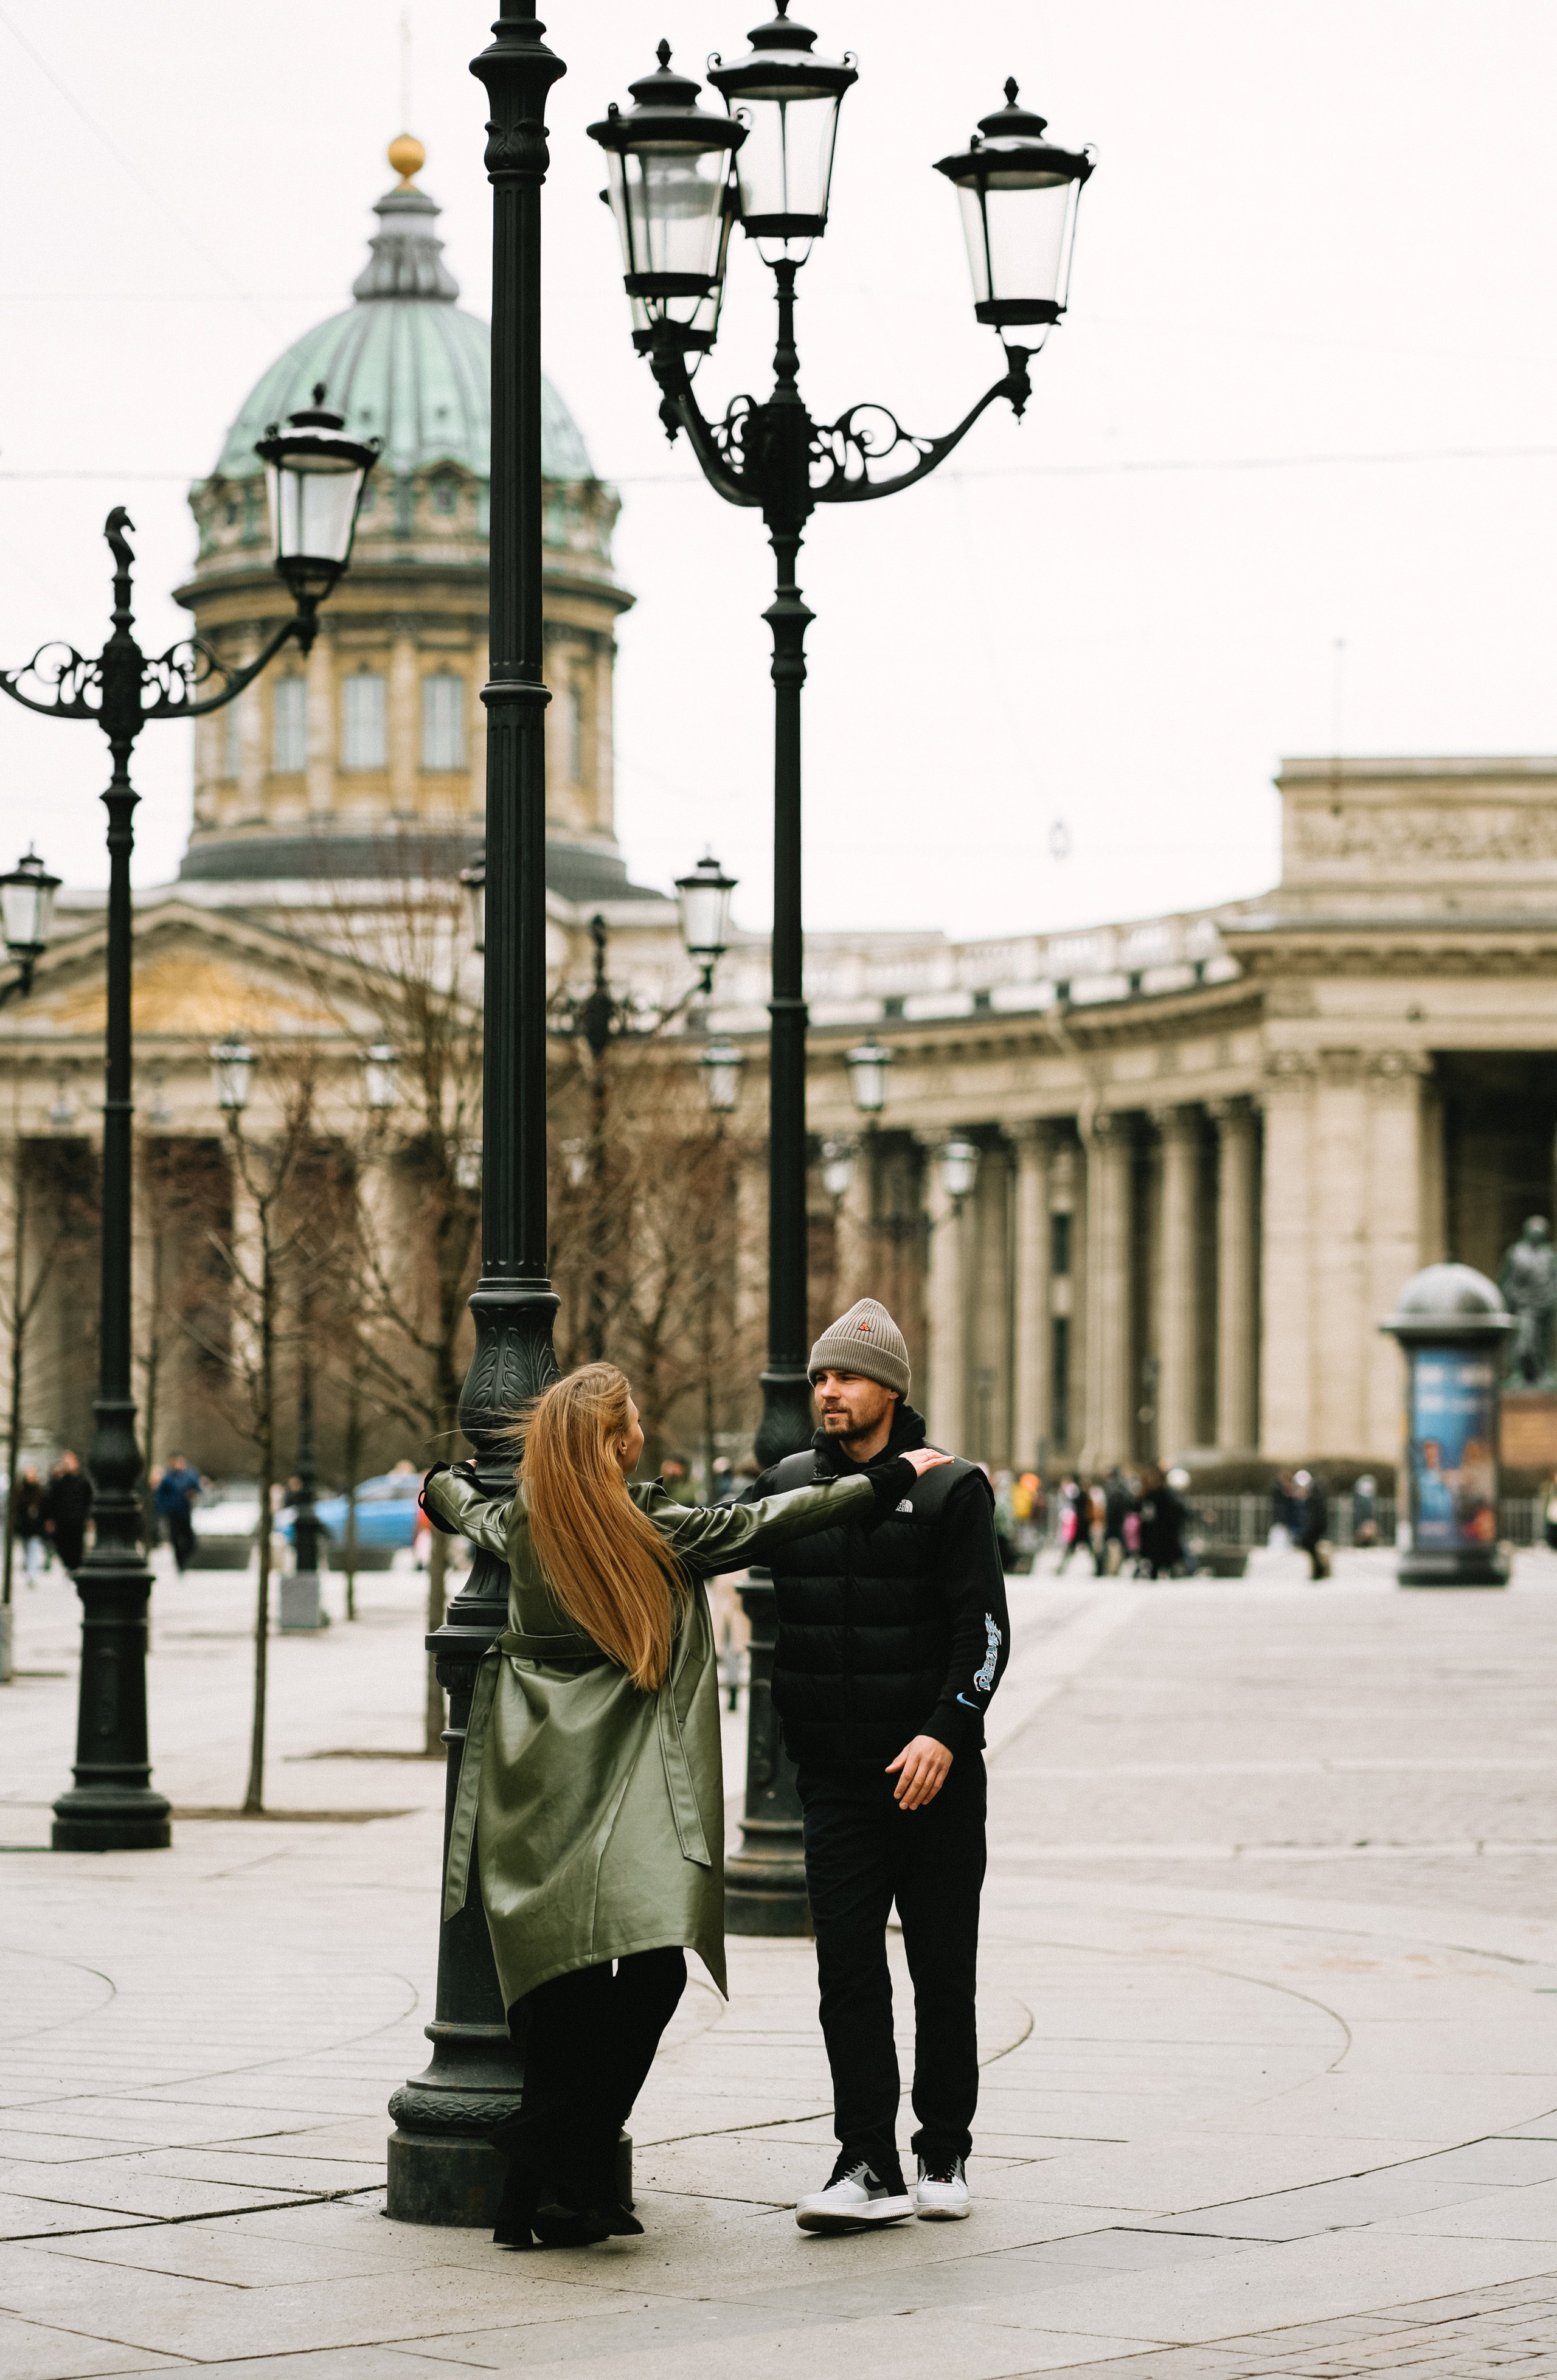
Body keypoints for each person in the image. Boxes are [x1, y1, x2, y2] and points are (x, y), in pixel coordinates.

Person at [420, 1359, 948, 2253]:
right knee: (652, 1971)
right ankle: (554, 2159)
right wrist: (895, 1475)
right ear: (615, 1441)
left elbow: (456, 1500)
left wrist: (440, 1484)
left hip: (531, 1775)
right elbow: (769, 1519)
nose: (644, 1433)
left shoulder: (521, 1522)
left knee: (564, 1983)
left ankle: (547, 2193)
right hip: (619, 1774)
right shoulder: (652, 1527)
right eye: (635, 1422)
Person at [743, 1297, 1009, 2234]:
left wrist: (947, 1728)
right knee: (847, 1972)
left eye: (846, 1376)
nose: (827, 1391)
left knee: (943, 1970)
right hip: (836, 1780)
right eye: (820, 1376)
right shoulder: (783, 1483)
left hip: (933, 1777)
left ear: (890, 1388)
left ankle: (943, 2148)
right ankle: (867, 2161)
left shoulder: (952, 1489)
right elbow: (691, 1546)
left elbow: (984, 1631)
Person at [43, 1451, 92, 1574]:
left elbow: (88, 1501)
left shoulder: (83, 1482)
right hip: (62, 1522)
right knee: (63, 1546)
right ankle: (71, 1567)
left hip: (77, 1521)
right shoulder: (59, 1482)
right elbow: (51, 1501)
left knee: (76, 1547)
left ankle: (74, 1568)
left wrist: (89, 1518)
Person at [154, 1453, 201, 1573]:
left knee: (190, 1540)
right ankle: (180, 1564)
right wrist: (164, 1509)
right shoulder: (168, 1478)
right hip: (173, 1512)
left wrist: (193, 1494)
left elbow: (197, 1489)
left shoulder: (189, 1475)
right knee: (175, 1538)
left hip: (185, 1511)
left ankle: (183, 1560)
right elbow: (160, 1495)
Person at [1294, 1468, 1331, 1580]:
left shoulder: (1313, 1497)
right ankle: (1319, 1571)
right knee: (1311, 1548)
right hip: (1317, 1527)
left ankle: (1319, 1571)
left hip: (1316, 1527)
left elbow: (1313, 1516)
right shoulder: (1316, 1493)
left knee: (1310, 1546)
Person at [12, 1465, 46, 1583]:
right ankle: (28, 1568)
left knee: (33, 1549)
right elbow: (16, 1508)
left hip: (35, 1527)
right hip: (24, 1526)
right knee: (26, 1549)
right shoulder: (21, 1491)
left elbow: (44, 1508)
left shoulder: (39, 1491)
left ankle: (32, 1573)